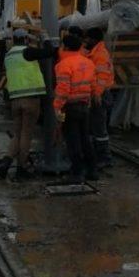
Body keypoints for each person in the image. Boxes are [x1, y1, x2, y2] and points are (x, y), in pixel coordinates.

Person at [0, 28, 55, 180]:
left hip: (15, 100)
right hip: (30, 99)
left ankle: (6, 161)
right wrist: (46, 38)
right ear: (25, 39)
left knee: (17, 133)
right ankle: (21, 168)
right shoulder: (27, 52)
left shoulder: (8, 55)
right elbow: (50, 52)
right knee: (26, 134)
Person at [54, 30, 97, 184]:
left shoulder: (63, 65)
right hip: (85, 105)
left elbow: (63, 90)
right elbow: (92, 86)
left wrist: (57, 108)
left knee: (73, 141)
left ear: (65, 47)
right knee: (85, 138)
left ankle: (77, 173)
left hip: (69, 107)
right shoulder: (89, 63)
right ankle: (92, 170)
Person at [82, 27, 114, 167]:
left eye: (87, 38)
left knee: (99, 128)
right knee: (93, 126)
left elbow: (102, 77)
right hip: (95, 94)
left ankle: (104, 157)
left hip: (99, 94)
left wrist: (97, 94)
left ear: (94, 39)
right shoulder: (93, 52)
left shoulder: (100, 55)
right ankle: (96, 155)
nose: (85, 41)